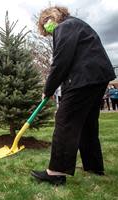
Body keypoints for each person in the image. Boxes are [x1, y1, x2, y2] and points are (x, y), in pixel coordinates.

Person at [31, 6, 116, 185]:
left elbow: (61, 62)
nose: (46, 27)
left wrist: (48, 89)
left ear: (54, 16)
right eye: (44, 25)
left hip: (84, 79)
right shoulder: (76, 25)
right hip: (96, 78)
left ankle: (55, 172)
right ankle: (94, 166)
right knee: (87, 124)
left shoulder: (65, 27)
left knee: (65, 121)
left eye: (46, 21)